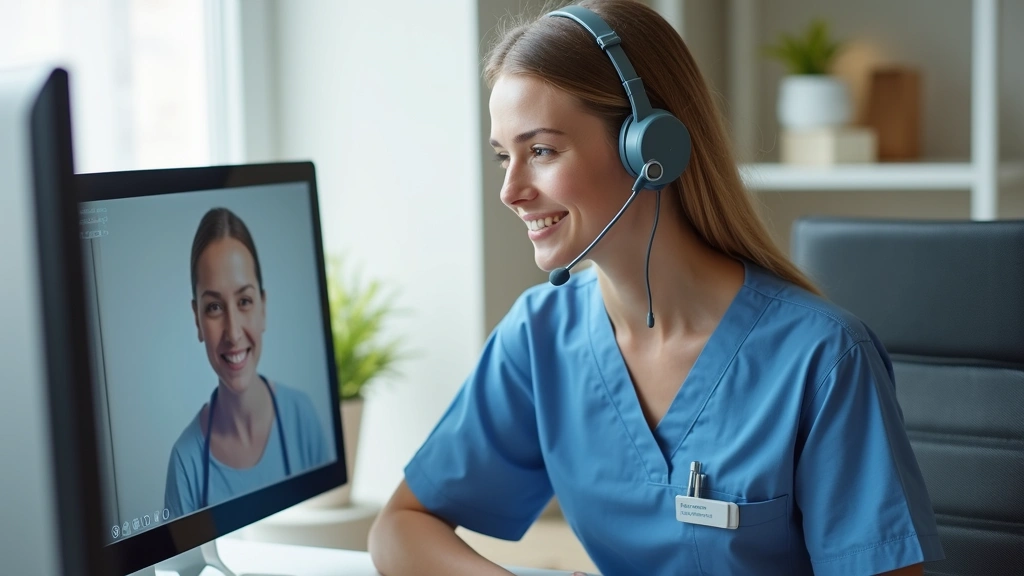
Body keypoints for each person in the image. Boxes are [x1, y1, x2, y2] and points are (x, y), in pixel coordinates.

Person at [367, 1, 944, 575]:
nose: (511, 191)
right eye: (503, 157)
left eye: (540, 151)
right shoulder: (541, 334)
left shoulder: (822, 360)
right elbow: (400, 529)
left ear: (650, 148)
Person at [164, 207, 331, 518]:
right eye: (214, 307)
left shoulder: (302, 416)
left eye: (244, 301)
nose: (234, 332)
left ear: (263, 307)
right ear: (197, 320)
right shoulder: (185, 462)